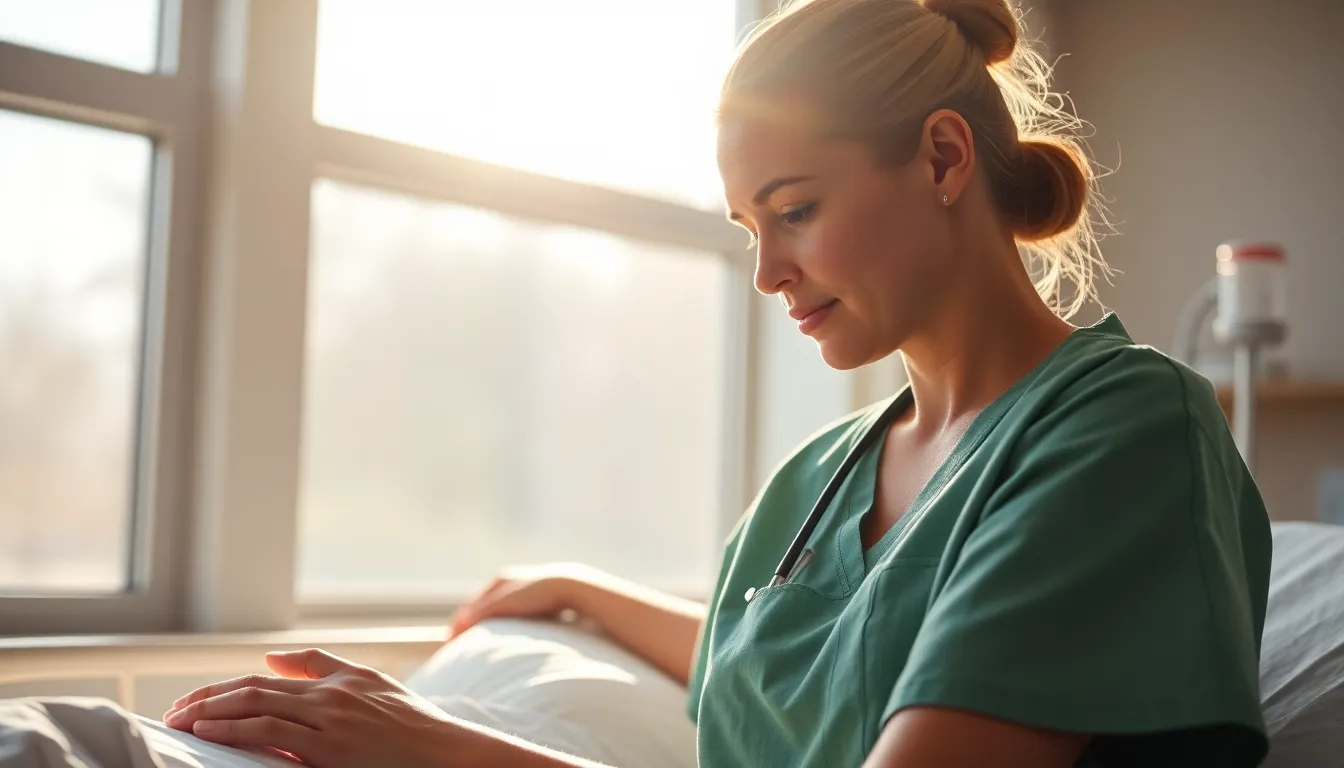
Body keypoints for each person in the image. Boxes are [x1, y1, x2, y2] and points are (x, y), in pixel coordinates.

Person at [161, 0, 1273, 765]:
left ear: (943, 159)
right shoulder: (819, 480)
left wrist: (437, 745)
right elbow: (800, 650)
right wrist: (579, 590)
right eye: (749, 226)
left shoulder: (1126, 432)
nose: (767, 271)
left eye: (795, 210)